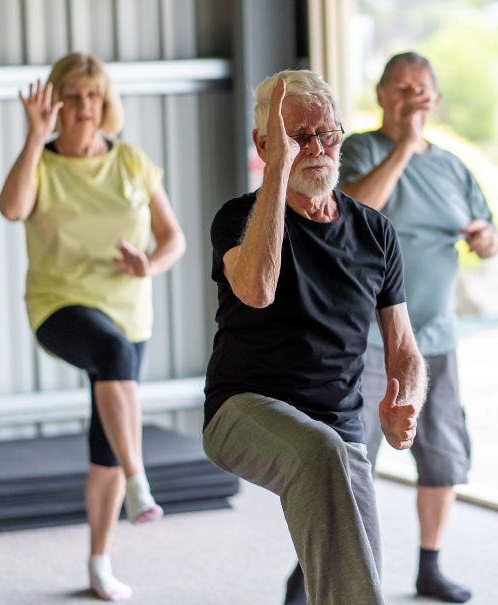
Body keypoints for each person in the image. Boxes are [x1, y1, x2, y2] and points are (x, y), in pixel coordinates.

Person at [203, 69, 427, 605]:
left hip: (337, 430)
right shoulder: (238, 218)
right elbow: (257, 290)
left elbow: (403, 347)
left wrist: (407, 400)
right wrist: (277, 170)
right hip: (242, 411)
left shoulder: (375, 231)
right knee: (321, 452)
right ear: (265, 143)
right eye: (299, 137)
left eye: (327, 133)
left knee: (357, 573)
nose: (318, 147)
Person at [0, 52, 186, 602]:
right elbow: (12, 209)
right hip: (60, 305)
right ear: (56, 103)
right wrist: (35, 138)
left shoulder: (130, 160)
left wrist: (149, 264)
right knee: (110, 352)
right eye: (74, 96)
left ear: (106, 103)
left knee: (104, 435)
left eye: (94, 96)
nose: (85, 106)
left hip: (130, 310)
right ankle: (140, 478)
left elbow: (172, 237)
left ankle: (100, 562)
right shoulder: (44, 163)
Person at [347, 51, 498, 603]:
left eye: (422, 89)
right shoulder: (359, 151)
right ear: (381, 94)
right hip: (363, 339)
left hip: (433, 337)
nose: (413, 97)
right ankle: (321, 568)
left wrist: (486, 240)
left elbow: (488, 236)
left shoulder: (455, 167)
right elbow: (353, 214)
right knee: (347, 458)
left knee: (441, 452)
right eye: (401, 87)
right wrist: (405, 147)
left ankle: (430, 566)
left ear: (434, 99)